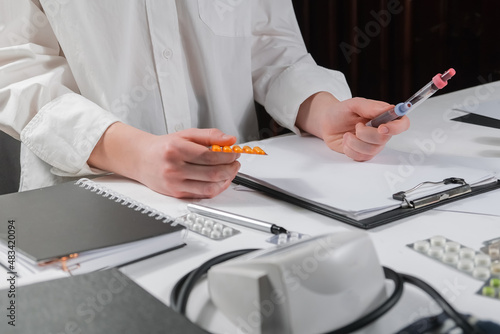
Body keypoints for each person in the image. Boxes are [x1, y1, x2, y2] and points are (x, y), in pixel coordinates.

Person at [0, 0, 409, 199]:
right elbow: (15, 69)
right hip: (87, 197)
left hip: (237, 192)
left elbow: (269, 44)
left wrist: (323, 110)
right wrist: (136, 154)